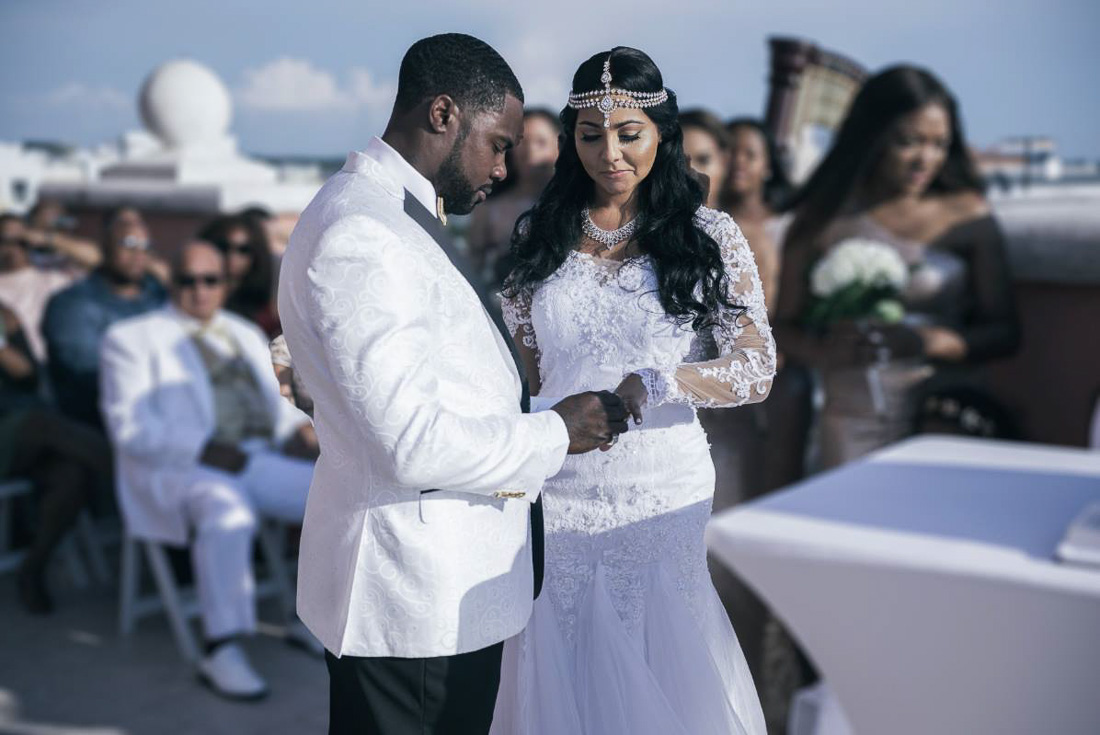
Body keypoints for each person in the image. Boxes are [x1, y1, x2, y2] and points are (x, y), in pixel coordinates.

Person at [278, 34, 626, 735]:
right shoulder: (363, 230)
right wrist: (558, 430)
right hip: (413, 602)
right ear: (443, 114)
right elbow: (410, 444)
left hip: (428, 587)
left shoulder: (385, 209)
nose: (504, 165)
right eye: (498, 143)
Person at [495, 47, 772, 734]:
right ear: (571, 138)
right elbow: (528, 373)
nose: (609, 154)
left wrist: (662, 379)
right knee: (560, 666)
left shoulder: (709, 236)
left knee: (664, 665)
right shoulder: (541, 236)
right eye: (591, 135)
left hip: (663, 489)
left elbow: (757, 365)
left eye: (629, 134)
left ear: (661, 134)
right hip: (557, 488)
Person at [99, 240, 321, 701]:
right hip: (181, 468)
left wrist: (302, 430)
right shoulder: (131, 339)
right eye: (187, 280)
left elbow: (272, 408)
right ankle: (221, 647)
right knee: (228, 515)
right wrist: (205, 449)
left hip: (254, 458)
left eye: (210, 280)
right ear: (171, 281)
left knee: (331, 497)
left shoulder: (240, 332)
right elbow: (129, 428)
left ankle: (309, 616)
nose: (199, 291)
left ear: (225, 283)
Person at [775, 65, 1020, 468]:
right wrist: (825, 350)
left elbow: (1005, 333)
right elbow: (783, 326)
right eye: (909, 142)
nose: (926, 159)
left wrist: (924, 342)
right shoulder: (823, 218)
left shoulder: (967, 216)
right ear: (872, 137)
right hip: (853, 415)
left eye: (939, 144)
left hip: (942, 415)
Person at [0, 303, 112, 614]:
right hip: (24, 429)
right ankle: (141, 481)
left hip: (24, 432)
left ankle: (33, 567)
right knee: (43, 424)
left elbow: (29, 379)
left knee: (71, 473)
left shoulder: (4, 315)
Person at [44, 207, 166, 428]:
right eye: (128, 244)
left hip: (160, 417)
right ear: (105, 248)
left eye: (145, 246)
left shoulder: (159, 297)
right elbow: (87, 376)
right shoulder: (72, 304)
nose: (139, 253)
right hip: (95, 428)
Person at [466, 108, 561, 288]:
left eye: (541, 142)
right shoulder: (489, 207)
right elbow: (474, 264)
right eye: (523, 141)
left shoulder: (576, 202)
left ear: (559, 145)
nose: (530, 150)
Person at [0, 214, 74, 362]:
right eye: (5, 240)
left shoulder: (54, 279)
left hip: (52, 368)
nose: (13, 247)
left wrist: (47, 239)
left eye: (20, 240)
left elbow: (97, 261)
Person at [197, 214, 279, 337]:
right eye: (223, 247)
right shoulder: (194, 290)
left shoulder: (267, 305)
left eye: (243, 250)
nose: (232, 257)